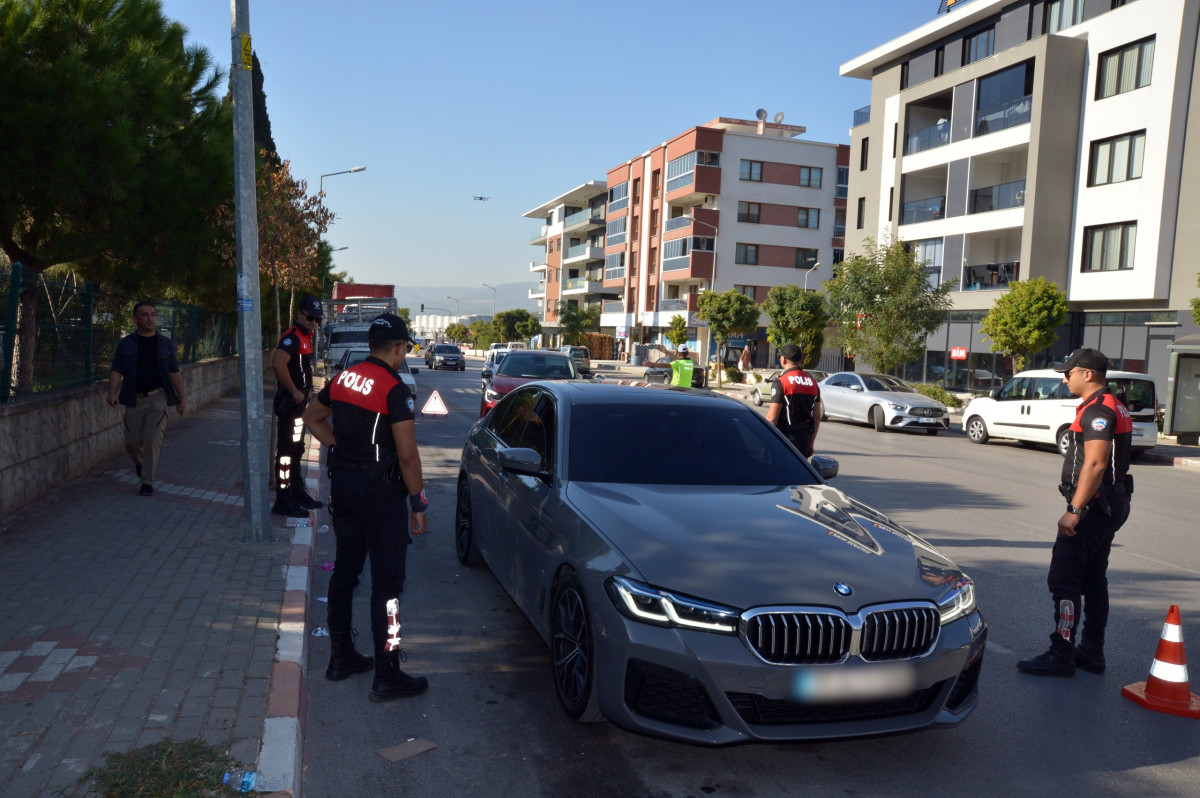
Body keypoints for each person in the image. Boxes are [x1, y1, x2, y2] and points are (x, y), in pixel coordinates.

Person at [302, 313, 429, 701]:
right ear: (397, 348)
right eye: (405, 346)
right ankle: (387, 673)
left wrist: (338, 445)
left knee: (345, 573)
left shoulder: (344, 378)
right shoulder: (394, 389)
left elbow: (311, 416)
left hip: (344, 486)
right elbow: (407, 456)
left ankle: (341, 658)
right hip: (380, 494)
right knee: (388, 587)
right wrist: (417, 502)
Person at [1018, 348, 1133, 677]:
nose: (1064, 378)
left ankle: (1062, 652)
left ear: (1088, 374)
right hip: (1111, 503)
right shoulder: (1112, 404)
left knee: (1064, 580)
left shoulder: (1100, 410)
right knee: (1094, 580)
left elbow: (1095, 463)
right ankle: (1091, 652)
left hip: (1095, 507)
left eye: (1069, 372)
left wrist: (1074, 509)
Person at [107, 301, 186, 496]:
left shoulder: (164, 343)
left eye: (152, 314)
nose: (150, 318)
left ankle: (147, 482)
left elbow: (174, 373)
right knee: (132, 442)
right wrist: (112, 392)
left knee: (152, 438)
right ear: (135, 319)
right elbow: (117, 369)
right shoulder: (126, 344)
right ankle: (141, 464)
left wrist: (181, 398)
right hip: (133, 398)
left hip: (157, 398)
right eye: (144, 315)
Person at [271, 296, 324, 518]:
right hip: (290, 406)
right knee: (286, 453)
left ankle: (296, 492)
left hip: (299, 407)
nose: (314, 322)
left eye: (317, 319)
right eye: (310, 317)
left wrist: (308, 391)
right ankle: (283, 499)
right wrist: (294, 391)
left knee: (296, 450)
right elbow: (277, 363)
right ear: (300, 314)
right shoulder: (292, 338)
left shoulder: (306, 337)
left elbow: (305, 369)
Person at [765, 344, 821, 458]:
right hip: (804, 439)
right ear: (801, 360)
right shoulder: (813, 383)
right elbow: (817, 417)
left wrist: (764, 444)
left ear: (783, 359)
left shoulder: (781, 382)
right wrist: (811, 442)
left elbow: (772, 419)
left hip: (784, 440)